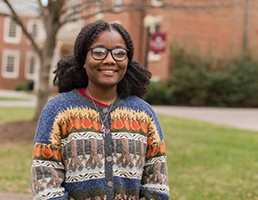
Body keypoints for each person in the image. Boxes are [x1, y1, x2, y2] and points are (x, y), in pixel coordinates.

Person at [30, 20, 169, 200]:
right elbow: (45, 181)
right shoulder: (58, 110)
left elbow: (157, 182)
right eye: (99, 52)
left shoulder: (144, 113)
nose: (110, 60)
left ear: (127, 60)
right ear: (83, 59)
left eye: (119, 53)